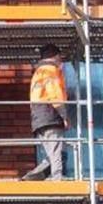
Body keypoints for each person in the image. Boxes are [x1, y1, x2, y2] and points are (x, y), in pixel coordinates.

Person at [22, 44, 69, 181]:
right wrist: (64, 115)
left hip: (39, 117)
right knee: (57, 151)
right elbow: (55, 94)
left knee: (55, 151)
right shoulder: (50, 70)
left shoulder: (39, 71)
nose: (61, 59)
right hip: (50, 114)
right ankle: (57, 179)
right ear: (54, 56)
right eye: (60, 56)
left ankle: (31, 177)